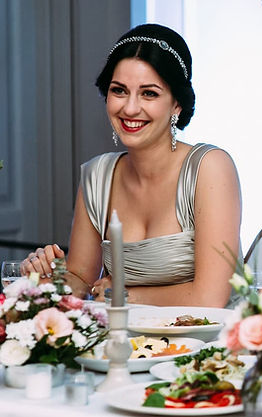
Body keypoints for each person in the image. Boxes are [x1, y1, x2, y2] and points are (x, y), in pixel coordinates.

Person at [22, 24, 242, 307]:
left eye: (149, 93)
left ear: (176, 104)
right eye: (119, 91)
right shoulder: (97, 176)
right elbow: (82, 281)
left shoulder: (210, 168)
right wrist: (51, 280)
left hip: (212, 343)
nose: (129, 108)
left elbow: (210, 298)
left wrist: (123, 295)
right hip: (128, 345)